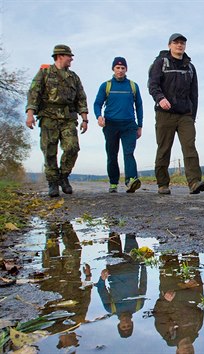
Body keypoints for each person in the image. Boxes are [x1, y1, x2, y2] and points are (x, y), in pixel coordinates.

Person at [25, 44, 89, 197]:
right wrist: (30, 114)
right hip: (48, 117)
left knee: (72, 148)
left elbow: (81, 98)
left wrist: (85, 118)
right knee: (49, 151)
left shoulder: (73, 77)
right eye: (69, 56)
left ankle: (64, 176)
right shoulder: (45, 73)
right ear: (60, 56)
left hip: (68, 118)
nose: (71, 59)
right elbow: (34, 93)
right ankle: (53, 182)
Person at [148, 33, 204, 195]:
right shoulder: (160, 63)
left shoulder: (190, 67)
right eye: (176, 43)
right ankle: (163, 183)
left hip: (185, 114)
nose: (179, 45)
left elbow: (194, 94)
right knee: (164, 148)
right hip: (164, 113)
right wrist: (160, 99)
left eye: (182, 43)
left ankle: (194, 182)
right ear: (169, 45)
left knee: (189, 147)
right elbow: (153, 85)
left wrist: (192, 116)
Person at [93, 57, 143, 193]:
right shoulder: (106, 86)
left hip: (129, 125)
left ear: (126, 69)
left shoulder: (133, 86)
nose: (120, 70)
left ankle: (131, 180)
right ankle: (113, 182)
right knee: (112, 154)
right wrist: (99, 116)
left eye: (123, 68)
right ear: (113, 69)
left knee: (129, 153)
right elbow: (97, 103)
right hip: (111, 125)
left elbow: (139, 106)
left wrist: (140, 125)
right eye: (117, 68)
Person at [95, 233, 147, 339]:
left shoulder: (111, 308)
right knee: (130, 234)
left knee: (113, 235)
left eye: (124, 326)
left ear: (119, 325)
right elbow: (143, 284)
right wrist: (143, 266)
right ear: (132, 324)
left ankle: (112, 218)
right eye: (129, 326)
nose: (126, 323)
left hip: (114, 268)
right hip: (132, 266)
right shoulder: (138, 306)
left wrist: (102, 278)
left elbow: (101, 289)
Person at [154, 253, 204, 354]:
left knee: (168, 254)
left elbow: (159, 310)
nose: (188, 351)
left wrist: (175, 296)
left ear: (177, 351)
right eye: (191, 353)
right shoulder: (196, 328)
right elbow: (199, 299)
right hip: (192, 285)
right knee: (191, 254)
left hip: (171, 286)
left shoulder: (167, 333)